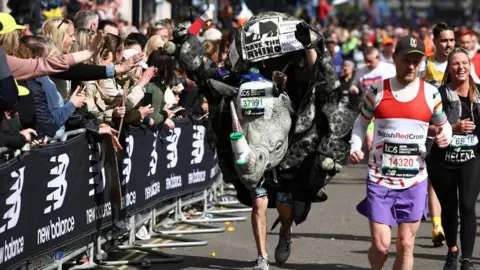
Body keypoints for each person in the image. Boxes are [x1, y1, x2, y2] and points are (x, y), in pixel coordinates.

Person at [349, 36, 452, 270]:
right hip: (380, 179)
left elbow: (444, 124)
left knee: (406, 244)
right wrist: (355, 146)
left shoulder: (430, 94)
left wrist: (446, 135)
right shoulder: (376, 91)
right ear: (394, 59)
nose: (412, 66)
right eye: (407, 60)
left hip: (414, 180)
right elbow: (360, 123)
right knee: (381, 246)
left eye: (417, 61)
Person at [427, 48, 480, 270]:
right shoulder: (437, 94)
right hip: (443, 161)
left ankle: (467, 259)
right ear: (449, 68)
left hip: (472, 158)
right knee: (449, 207)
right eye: (456, 63)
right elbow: (425, 126)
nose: (461, 67)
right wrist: (453, 127)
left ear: (470, 66)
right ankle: (452, 251)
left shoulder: (479, 96)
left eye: (464, 63)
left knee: (468, 205)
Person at [419, 22, 455, 247]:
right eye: (444, 40)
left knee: (455, 179)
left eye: (451, 40)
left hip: (457, 128)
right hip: (433, 129)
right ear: (435, 41)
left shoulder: (461, 62)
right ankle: (437, 226)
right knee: (434, 179)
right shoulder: (425, 64)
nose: (449, 44)